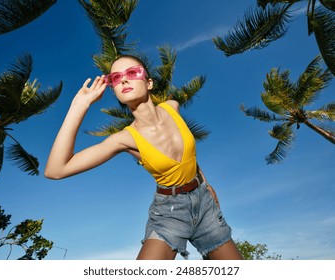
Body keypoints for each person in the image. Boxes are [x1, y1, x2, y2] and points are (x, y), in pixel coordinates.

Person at [44, 54, 243, 260]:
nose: (123, 79)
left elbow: (187, 155)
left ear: (149, 83)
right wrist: (80, 105)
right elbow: (56, 170)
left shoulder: (172, 107)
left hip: (205, 204)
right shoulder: (124, 139)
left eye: (132, 73)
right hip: (169, 211)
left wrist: (206, 182)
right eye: (116, 78)